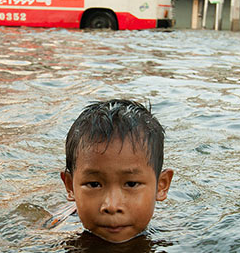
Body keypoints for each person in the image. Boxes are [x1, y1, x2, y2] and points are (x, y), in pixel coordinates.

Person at [60, 99, 174, 243]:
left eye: (131, 184)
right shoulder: (54, 237)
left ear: (161, 185)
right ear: (70, 187)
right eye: (94, 184)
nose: (112, 206)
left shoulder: (177, 240)